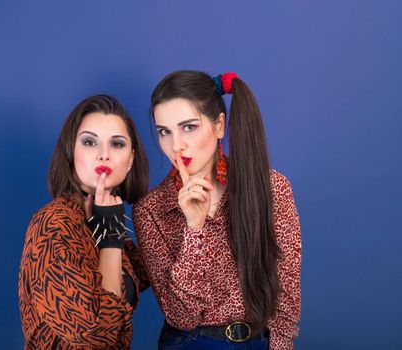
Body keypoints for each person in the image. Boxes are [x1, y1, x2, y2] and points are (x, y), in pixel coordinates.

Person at [133, 70, 301, 350]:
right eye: (164, 132)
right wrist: (195, 230)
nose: (176, 145)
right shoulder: (151, 211)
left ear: (219, 125)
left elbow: (286, 293)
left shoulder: (272, 188)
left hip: (261, 341)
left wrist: (280, 346)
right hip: (190, 342)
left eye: (188, 127)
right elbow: (179, 315)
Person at [19, 94, 150, 350]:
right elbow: (94, 335)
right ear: (71, 152)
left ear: (130, 159)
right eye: (90, 142)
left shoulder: (102, 215)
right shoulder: (54, 223)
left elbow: (152, 271)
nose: (104, 155)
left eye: (117, 144)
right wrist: (110, 238)